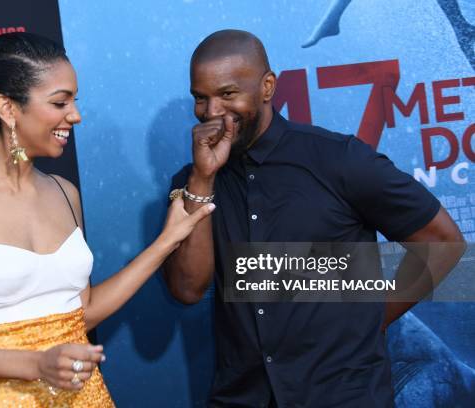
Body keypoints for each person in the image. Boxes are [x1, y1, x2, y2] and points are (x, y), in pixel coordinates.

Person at [0, 32, 214, 408]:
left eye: (74, 101)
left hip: (87, 398)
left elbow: (82, 311)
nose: (75, 115)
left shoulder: (65, 193)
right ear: (7, 108)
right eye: (60, 102)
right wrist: (36, 364)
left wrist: (166, 243)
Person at [163, 29, 465, 407]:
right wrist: (203, 179)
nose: (212, 112)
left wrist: (375, 318)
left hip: (343, 395)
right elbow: (187, 289)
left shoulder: (339, 159)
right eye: (200, 99)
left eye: (227, 94)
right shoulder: (192, 184)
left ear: (268, 87)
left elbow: (442, 241)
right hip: (244, 397)